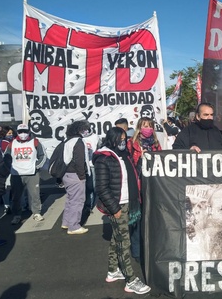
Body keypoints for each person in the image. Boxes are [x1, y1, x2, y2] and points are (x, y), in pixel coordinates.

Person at [93, 127, 151, 295]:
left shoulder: (124, 155)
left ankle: (112, 271)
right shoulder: (103, 159)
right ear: (112, 139)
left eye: (125, 139)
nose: (123, 142)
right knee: (124, 243)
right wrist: (115, 209)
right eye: (120, 139)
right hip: (117, 206)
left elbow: (132, 175)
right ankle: (131, 280)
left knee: (117, 238)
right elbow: (102, 188)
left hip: (128, 203)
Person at [127, 117, 161, 261]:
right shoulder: (131, 144)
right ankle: (137, 251)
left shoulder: (156, 144)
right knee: (137, 220)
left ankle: (151, 250)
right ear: (139, 128)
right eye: (144, 126)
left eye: (150, 126)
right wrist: (139, 158)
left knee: (151, 220)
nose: (147, 129)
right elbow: (127, 164)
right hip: (137, 186)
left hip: (152, 186)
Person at [5, 124, 47, 225]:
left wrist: (36, 167)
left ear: (29, 132)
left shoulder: (35, 142)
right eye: (20, 132)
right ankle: (17, 215)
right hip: (16, 174)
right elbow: (6, 157)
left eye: (25, 131)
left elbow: (43, 155)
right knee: (16, 196)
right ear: (17, 132)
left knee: (34, 195)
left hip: (32, 173)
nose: (23, 134)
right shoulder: (12, 144)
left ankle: (36, 213)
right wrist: (9, 168)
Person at [61, 120, 91, 235]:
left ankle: (67, 222)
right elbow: (79, 161)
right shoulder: (78, 142)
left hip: (67, 174)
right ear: (79, 130)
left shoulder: (68, 141)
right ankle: (73, 226)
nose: (86, 131)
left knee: (70, 199)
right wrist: (82, 176)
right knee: (77, 201)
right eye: (85, 129)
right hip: (76, 175)